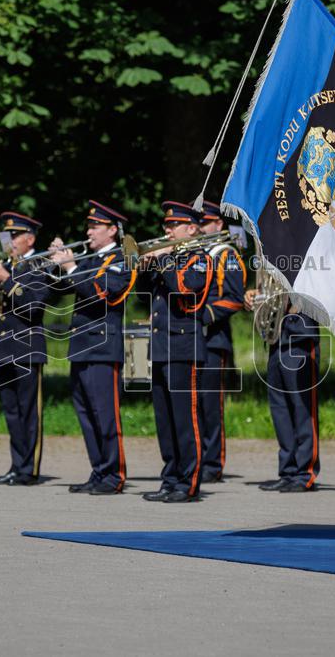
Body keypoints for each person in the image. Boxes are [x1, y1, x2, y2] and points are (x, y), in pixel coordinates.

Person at [50, 201, 134, 495]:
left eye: (95, 226)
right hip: (82, 345)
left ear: (112, 230)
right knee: (86, 414)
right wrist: (57, 263)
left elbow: (101, 292)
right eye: (89, 226)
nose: (89, 231)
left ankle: (114, 474)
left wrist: (71, 266)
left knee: (105, 414)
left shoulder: (120, 258)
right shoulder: (87, 260)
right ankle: (99, 471)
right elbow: (59, 290)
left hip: (103, 346)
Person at [138, 202, 213, 503]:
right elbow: (144, 292)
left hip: (183, 347)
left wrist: (164, 260)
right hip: (161, 347)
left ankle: (189, 482)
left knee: (185, 419)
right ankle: (170, 478)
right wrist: (147, 266)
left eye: (173, 225)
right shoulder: (170, 258)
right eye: (166, 226)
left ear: (192, 229)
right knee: (165, 420)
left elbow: (185, 287)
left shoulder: (199, 259)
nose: (166, 230)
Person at [0, 212, 53, 486]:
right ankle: (16, 465)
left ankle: (29, 469)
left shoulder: (40, 263)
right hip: (3, 347)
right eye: (7, 235)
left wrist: (7, 280)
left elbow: (34, 305)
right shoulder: (5, 264)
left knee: (28, 411)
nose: (8, 240)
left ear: (29, 238)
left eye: (14, 236)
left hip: (27, 348)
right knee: (11, 411)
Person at [244, 289, 321, 493]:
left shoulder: (310, 262)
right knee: (280, 410)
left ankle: (306, 472)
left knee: (302, 409)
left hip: (300, 338)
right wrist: (256, 296)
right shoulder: (273, 264)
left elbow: (322, 291)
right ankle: (288, 471)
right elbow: (268, 291)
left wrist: (295, 300)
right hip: (276, 340)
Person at [197, 202, 246, 483]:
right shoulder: (198, 255)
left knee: (211, 404)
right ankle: (197, 458)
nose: (201, 228)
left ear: (218, 224)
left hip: (214, 339)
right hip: (193, 339)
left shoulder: (226, 254)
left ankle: (213, 463)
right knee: (193, 402)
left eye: (205, 223)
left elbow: (234, 298)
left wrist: (202, 316)